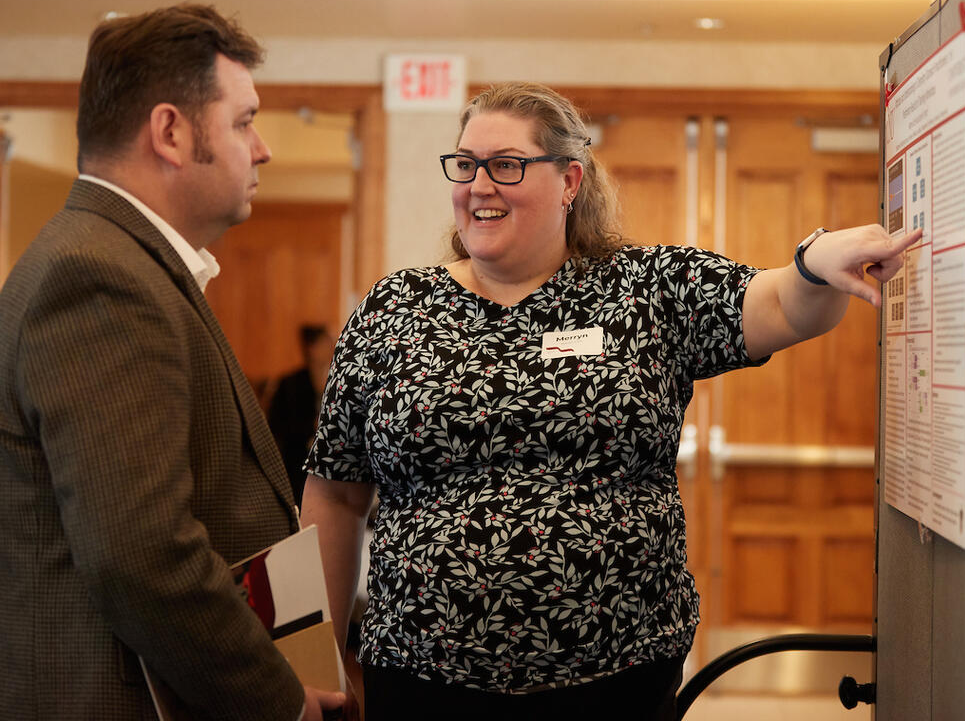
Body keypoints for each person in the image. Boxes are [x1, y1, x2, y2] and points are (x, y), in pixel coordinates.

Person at [301, 81, 919, 720]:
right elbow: (335, 491)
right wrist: (318, 660)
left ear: (570, 181)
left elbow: (784, 304)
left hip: (617, 673)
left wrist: (815, 259)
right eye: (465, 165)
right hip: (420, 676)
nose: (479, 185)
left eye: (506, 165)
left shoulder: (646, 290)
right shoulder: (394, 310)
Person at [0, 4, 345, 721]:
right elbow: (143, 558)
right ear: (170, 132)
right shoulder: (99, 278)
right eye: (245, 121)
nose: (263, 149)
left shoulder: (118, 262)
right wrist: (278, 700)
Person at [268, 324, 336, 503]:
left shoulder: (336, 380)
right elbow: (277, 425)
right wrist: (310, 426)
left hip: (329, 455)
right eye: (326, 343)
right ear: (312, 348)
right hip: (297, 457)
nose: (332, 347)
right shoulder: (290, 384)